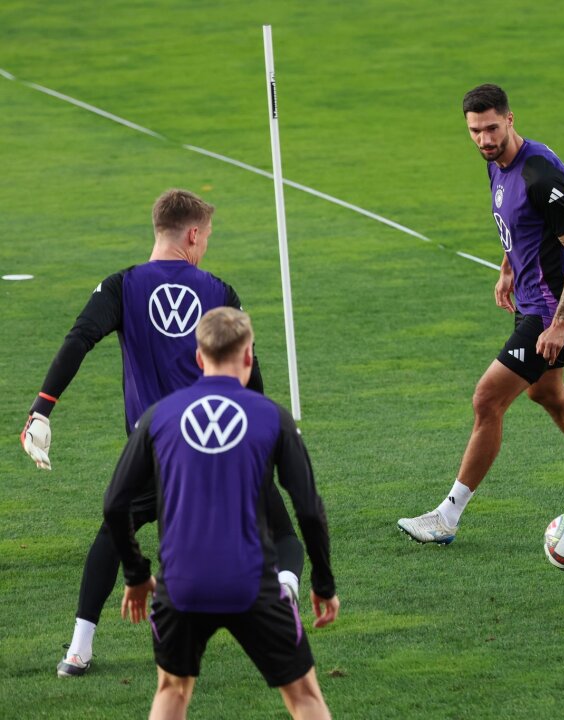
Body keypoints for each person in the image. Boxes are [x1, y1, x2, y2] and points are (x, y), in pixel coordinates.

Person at [19, 189, 305, 677]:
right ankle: (285, 599)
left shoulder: (122, 286)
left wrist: (41, 411)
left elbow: (79, 339)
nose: (206, 245)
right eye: (207, 237)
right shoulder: (219, 291)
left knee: (114, 534)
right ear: (192, 234)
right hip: (222, 448)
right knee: (282, 535)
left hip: (155, 450)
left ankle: (77, 650)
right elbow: (249, 377)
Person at [397, 83, 564, 544]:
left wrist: (559, 324)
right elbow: (520, 227)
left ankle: (446, 517)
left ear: (510, 119)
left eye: (491, 128)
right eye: (474, 131)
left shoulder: (541, 174)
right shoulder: (497, 164)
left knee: (488, 399)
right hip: (530, 299)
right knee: (546, 393)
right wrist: (507, 267)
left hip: (550, 310)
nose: (484, 139)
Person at [104, 307, 338, 720]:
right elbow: (308, 510)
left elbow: (115, 504)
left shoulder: (158, 416)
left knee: (172, 691)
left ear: (199, 357)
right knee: (304, 697)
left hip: (180, 588)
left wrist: (137, 575)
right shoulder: (272, 417)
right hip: (252, 585)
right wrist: (322, 581)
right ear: (248, 355)